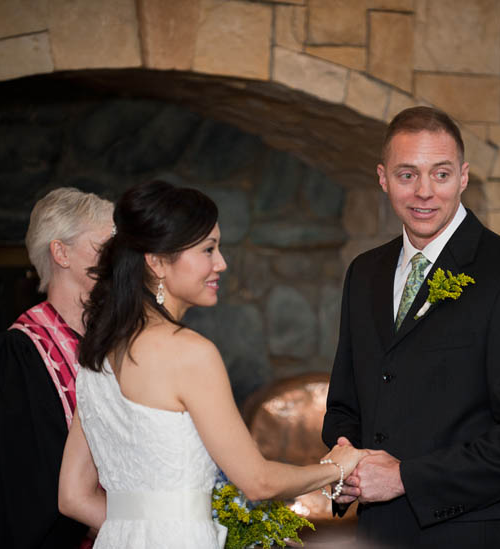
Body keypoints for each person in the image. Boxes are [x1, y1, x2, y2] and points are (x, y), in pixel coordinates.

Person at [58, 180, 367, 548]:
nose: (220, 263)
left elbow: (73, 497)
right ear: (156, 262)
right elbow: (258, 481)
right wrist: (338, 467)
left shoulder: (97, 354)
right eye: (208, 249)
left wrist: (138, 528)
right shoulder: (190, 352)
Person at [322, 106, 500, 547]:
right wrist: (346, 458)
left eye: (440, 174)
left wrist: (404, 478)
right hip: (376, 534)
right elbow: (345, 402)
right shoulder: (364, 273)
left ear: (463, 176)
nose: (424, 192)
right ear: (382, 178)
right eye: (406, 175)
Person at [0, 188, 114, 548]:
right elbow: (24, 487)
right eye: (105, 247)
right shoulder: (16, 356)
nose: (118, 260)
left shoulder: (111, 346)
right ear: (60, 253)